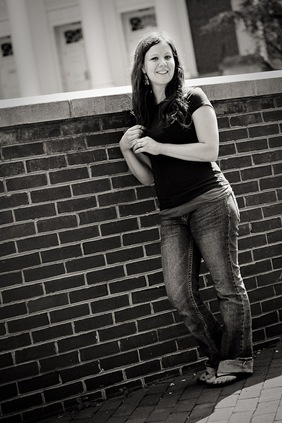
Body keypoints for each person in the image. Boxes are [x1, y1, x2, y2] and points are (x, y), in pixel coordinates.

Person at [119, 32, 253, 387]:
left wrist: (160, 147)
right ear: (143, 69)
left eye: (168, 57)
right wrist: (126, 149)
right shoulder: (143, 113)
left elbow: (210, 150)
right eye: (154, 59)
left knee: (226, 284)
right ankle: (218, 357)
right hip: (171, 213)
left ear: (175, 62)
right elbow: (148, 179)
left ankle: (236, 360)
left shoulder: (193, 98)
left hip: (210, 201)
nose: (163, 64)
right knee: (180, 295)